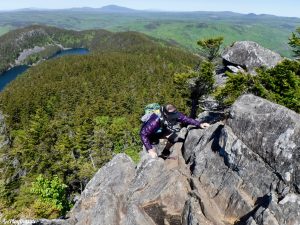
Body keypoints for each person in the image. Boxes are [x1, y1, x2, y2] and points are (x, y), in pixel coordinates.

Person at [140, 104, 210, 158]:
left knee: (174, 137)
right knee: (153, 155)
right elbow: (143, 134)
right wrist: (150, 149)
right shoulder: (155, 120)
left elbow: (186, 119)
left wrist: (199, 124)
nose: (174, 117)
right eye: (172, 116)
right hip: (150, 135)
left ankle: (165, 152)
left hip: (161, 131)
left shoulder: (174, 114)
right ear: (165, 114)